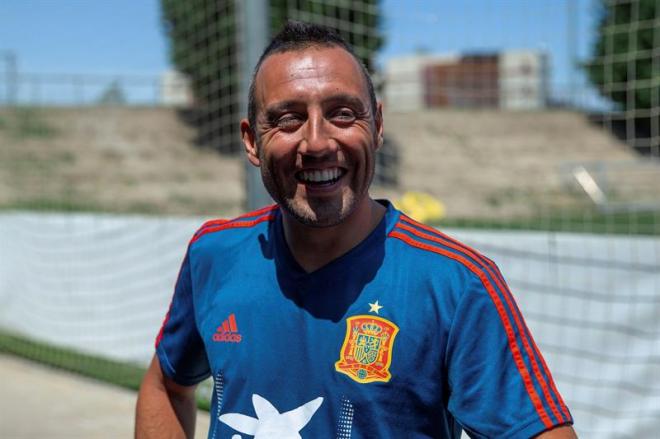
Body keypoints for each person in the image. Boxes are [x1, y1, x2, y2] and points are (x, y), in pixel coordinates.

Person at [135, 22, 576, 439]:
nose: (317, 142)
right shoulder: (214, 253)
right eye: (287, 119)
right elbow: (165, 386)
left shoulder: (457, 285)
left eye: (342, 114)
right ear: (252, 141)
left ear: (378, 125)